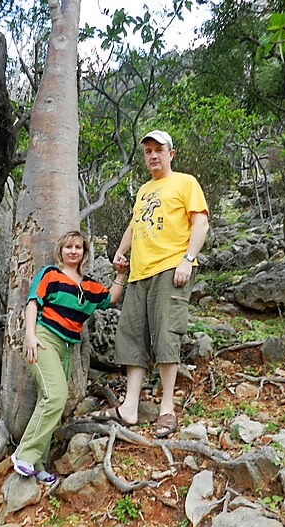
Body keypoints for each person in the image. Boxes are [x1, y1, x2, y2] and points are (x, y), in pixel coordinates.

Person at [93, 129, 209, 438]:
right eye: (147, 151)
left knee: (166, 334)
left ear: (171, 153)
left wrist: (187, 259)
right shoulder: (144, 190)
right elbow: (135, 224)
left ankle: (167, 409)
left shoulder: (186, 182)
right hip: (139, 273)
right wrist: (121, 250)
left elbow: (201, 222)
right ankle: (130, 407)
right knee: (131, 335)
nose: (153, 155)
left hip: (171, 269)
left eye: (158, 150)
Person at [11, 230, 127, 482]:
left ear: (85, 252)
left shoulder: (89, 286)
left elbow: (110, 300)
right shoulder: (50, 274)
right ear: (61, 251)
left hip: (65, 348)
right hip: (43, 339)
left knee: (50, 400)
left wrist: (120, 274)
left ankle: (38, 464)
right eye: (68, 247)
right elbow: (33, 303)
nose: (73, 251)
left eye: (78, 247)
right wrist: (29, 335)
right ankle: (24, 455)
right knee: (55, 396)